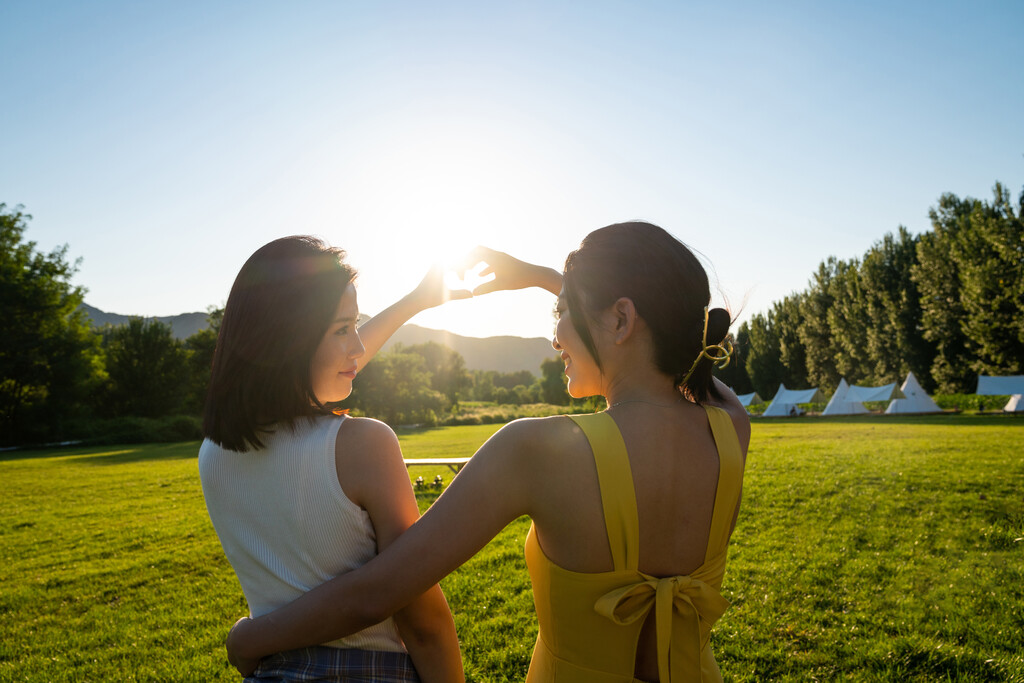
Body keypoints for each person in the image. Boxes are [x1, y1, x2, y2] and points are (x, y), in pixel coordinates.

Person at [226, 222, 752, 683]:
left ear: (620, 319)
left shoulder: (538, 450)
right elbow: (691, 363)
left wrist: (252, 639)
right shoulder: (731, 428)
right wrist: (560, 284)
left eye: (562, 312)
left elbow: (375, 592)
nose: (554, 337)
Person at [199, 236, 466, 682]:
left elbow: (329, 369)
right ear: (289, 340)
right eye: (343, 330)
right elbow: (423, 622)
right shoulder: (364, 445)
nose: (358, 348)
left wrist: (415, 302)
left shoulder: (214, 455)